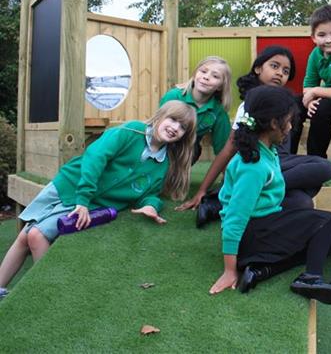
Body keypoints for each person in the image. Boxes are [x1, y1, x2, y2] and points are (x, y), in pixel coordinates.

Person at [0, 101, 197, 300]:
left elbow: (150, 193)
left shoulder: (162, 164)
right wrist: (83, 199)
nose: (175, 128)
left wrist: (150, 205)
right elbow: (95, 157)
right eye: (173, 120)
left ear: (184, 137)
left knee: (34, 235)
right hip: (69, 185)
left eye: (182, 128)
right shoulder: (130, 132)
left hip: (94, 202)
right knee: (25, 236)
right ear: (161, 115)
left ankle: (49, 295)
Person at [208, 85, 331, 304]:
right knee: (326, 221)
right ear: (273, 124)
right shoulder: (253, 166)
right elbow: (235, 217)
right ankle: (311, 278)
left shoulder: (267, 151)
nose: (290, 127)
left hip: (263, 224)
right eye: (288, 121)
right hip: (252, 235)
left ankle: (262, 271)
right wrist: (229, 270)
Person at [176, 46, 331, 225]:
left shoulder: (286, 104)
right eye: (274, 66)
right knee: (325, 167)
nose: (279, 73)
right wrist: (201, 190)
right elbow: (229, 148)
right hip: (259, 166)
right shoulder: (251, 105)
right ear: (258, 68)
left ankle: (226, 203)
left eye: (285, 71)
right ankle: (235, 194)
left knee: (303, 202)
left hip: (279, 164)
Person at [160, 56, 232, 164]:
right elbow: (156, 127)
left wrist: (228, 178)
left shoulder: (218, 111)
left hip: (188, 150)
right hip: (163, 143)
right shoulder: (173, 96)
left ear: (220, 86)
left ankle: (178, 176)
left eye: (215, 76)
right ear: (194, 74)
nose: (206, 77)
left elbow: (223, 149)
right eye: (203, 71)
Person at [294, 4, 331, 158]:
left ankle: (315, 159)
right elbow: (308, 86)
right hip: (328, 98)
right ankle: (285, 156)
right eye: (322, 35)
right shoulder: (315, 55)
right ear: (313, 38)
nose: (328, 40)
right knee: (293, 105)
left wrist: (315, 92)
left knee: (320, 109)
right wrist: (309, 102)